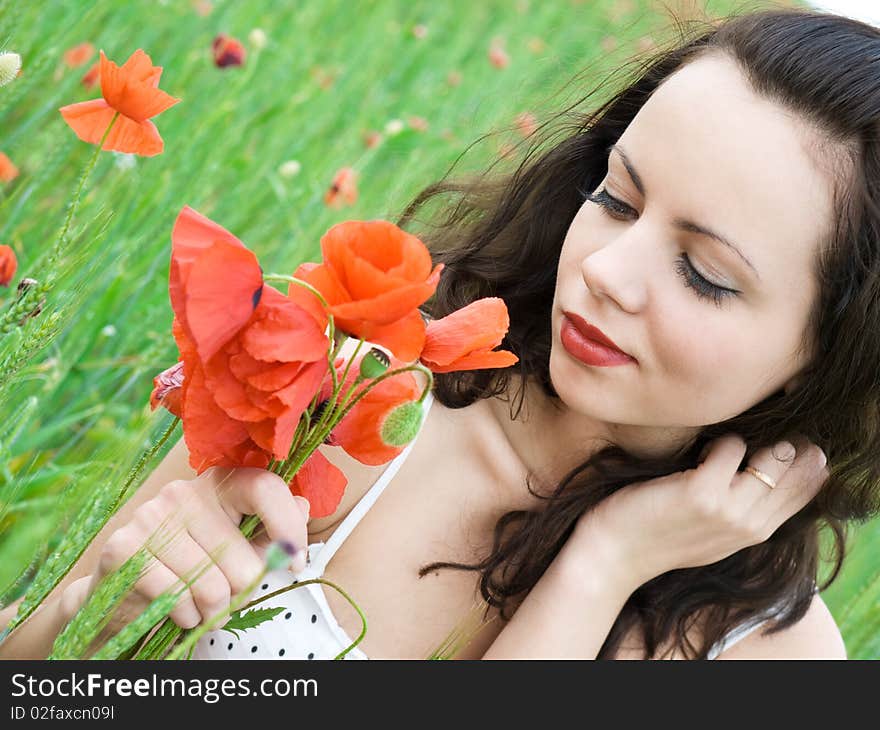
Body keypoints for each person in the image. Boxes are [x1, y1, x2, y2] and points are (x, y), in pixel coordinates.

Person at [3, 5, 876, 660]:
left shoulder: (768, 649)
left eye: (704, 275)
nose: (606, 271)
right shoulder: (342, 397)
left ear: (828, 355)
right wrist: (99, 605)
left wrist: (603, 565)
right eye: (615, 197)